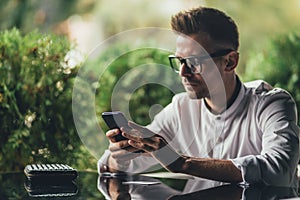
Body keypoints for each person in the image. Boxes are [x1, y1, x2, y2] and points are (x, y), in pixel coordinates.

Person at [98, 6, 300, 190]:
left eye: (194, 62)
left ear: (230, 62)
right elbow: (121, 163)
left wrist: (182, 163)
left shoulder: (271, 104)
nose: (183, 73)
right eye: (179, 61)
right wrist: (120, 158)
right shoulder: (181, 109)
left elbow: (279, 171)